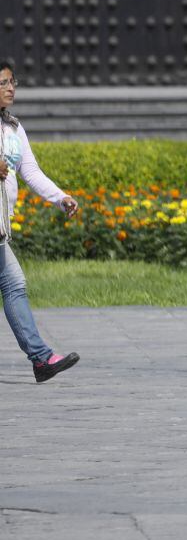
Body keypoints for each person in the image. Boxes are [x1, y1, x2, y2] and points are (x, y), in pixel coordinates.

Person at [0, 61, 81, 383]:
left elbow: (30, 171)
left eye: (12, 82)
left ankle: (41, 359)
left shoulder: (13, 127)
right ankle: (41, 358)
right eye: (3, 83)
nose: (10, 88)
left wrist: (61, 197)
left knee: (14, 285)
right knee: (14, 285)